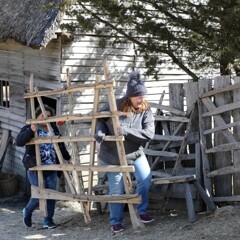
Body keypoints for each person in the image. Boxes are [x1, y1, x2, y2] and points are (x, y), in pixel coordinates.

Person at [95, 70, 155, 233]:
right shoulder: (115, 105)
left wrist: (126, 131)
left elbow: (149, 134)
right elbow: (99, 120)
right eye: (138, 96)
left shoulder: (145, 110)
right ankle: (116, 221)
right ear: (130, 96)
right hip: (112, 156)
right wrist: (100, 133)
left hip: (135, 153)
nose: (141, 99)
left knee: (145, 178)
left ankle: (141, 211)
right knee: (117, 189)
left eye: (143, 96)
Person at [15, 105, 71, 229]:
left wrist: (67, 157)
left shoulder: (53, 128)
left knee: (51, 194)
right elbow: (18, 141)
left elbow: (60, 145)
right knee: (38, 194)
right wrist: (31, 130)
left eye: (49, 116)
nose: (46, 118)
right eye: (42, 116)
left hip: (52, 167)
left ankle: (48, 220)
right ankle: (27, 211)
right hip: (35, 167)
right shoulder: (31, 127)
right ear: (37, 117)